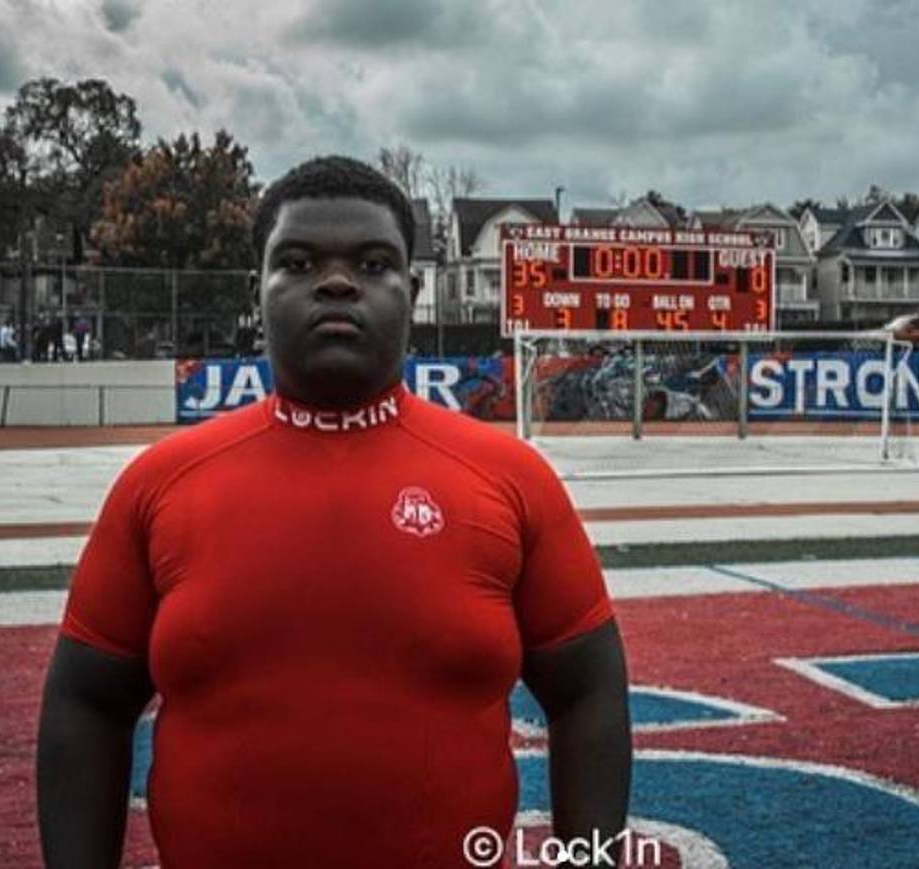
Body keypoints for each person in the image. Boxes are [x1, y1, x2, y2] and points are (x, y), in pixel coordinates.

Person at [37, 156, 631, 868]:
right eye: (298, 262)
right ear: (256, 290)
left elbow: (588, 692)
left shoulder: (511, 480)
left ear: (412, 291)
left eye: (374, 264)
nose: (338, 282)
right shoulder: (160, 485)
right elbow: (87, 703)